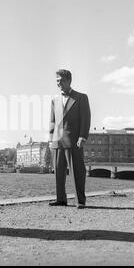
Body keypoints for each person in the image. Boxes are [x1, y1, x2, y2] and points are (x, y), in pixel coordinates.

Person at [49, 69, 91, 209]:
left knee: (77, 171)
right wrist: (51, 138)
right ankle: (60, 199)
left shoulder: (81, 97)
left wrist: (82, 136)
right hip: (57, 140)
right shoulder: (54, 100)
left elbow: (86, 119)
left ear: (68, 81)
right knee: (58, 172)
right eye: (57, 81)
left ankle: (80, 200)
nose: (58, 83)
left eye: (60, 80)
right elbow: (52, 121)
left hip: (74, 140)